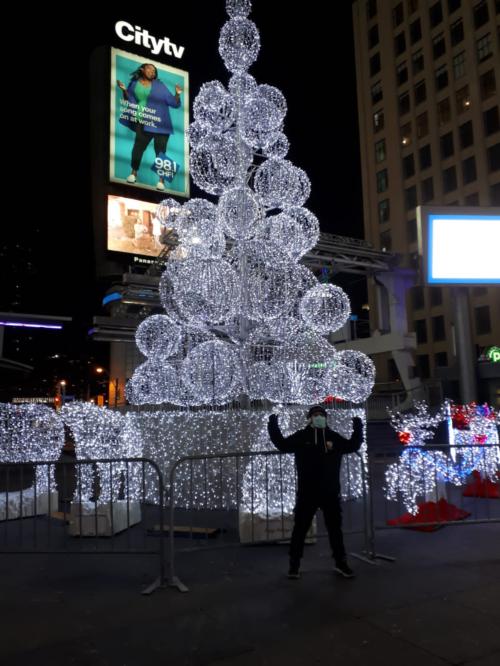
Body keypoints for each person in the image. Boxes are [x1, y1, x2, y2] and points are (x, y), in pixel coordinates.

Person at [268, 405, 363, 580]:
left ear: (325, 418)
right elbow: (282, 444)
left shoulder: (333, 436)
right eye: (315, 415)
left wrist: (358, 427)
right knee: (300, 529)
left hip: (330, 492)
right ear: (310, 418)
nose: (319, 417)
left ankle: (341, 562)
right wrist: (273, 424)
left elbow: (352, 445)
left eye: (321, 415)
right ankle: (294, 564)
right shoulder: (302, 436)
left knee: (335, 529)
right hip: (308, 492)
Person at [117, 63, 182, 191]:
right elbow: (129, 99)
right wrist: (124, 90)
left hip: (161, 124)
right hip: (143, 121)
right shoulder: (134, 84)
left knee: (161, 152)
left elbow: (173, 103)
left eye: (154, 70)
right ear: (142, 70)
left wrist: (177, 94)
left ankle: (161, 181)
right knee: (137, 148)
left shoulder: (160, 85)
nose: (152, 71)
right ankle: (133, 173)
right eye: (149, 69)